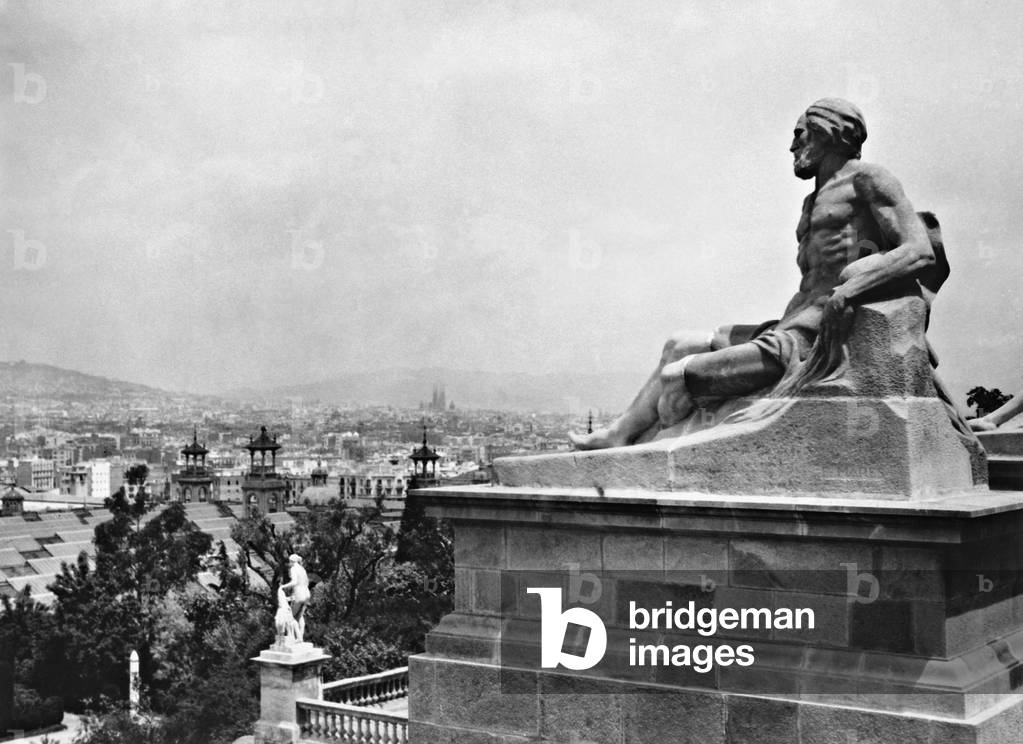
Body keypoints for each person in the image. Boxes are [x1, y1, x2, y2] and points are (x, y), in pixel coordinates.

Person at [571, 98, 935, 450]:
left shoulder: (869, 180)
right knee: (678, 344)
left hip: (808, 336)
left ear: (829, 132)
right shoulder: (813, 200)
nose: (792, 146)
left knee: (676, 377)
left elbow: (919, 251)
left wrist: (850, 291)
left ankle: (669, 450)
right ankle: (619, 433)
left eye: (800, 134)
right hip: (786, 326)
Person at [280, 553, 310, 642]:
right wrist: (292, 596)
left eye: (289, 562)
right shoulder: (302, 569)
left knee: (290, 616)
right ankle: (300, 636)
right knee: (300, 616)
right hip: (306, 594)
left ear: (291, 561)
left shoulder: (293, 568)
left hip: (299, 594)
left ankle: (297, 637)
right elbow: (306, 582)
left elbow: (294, 582)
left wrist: (283, 587)